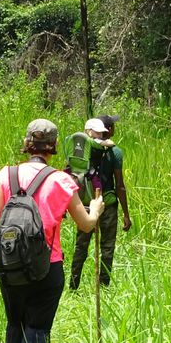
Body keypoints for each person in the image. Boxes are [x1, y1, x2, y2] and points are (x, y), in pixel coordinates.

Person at [0, 118, 105, 343]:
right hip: (47, 267)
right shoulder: (61, 180)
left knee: (15, 324)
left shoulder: (7, 175)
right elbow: (85, 225)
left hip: (9, 265)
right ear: (54, 147)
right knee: (37, 328)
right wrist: (95, 210)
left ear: (27, 144)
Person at [69, 114, 132, 290]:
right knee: (107, 247)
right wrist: (126, 214)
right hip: (108, 204)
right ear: (109, 130)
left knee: (81, 246)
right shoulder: (115, 152)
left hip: (86, 204)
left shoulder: (81, 152)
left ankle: (73, 286)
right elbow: (120, 185)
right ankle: (103, 286)